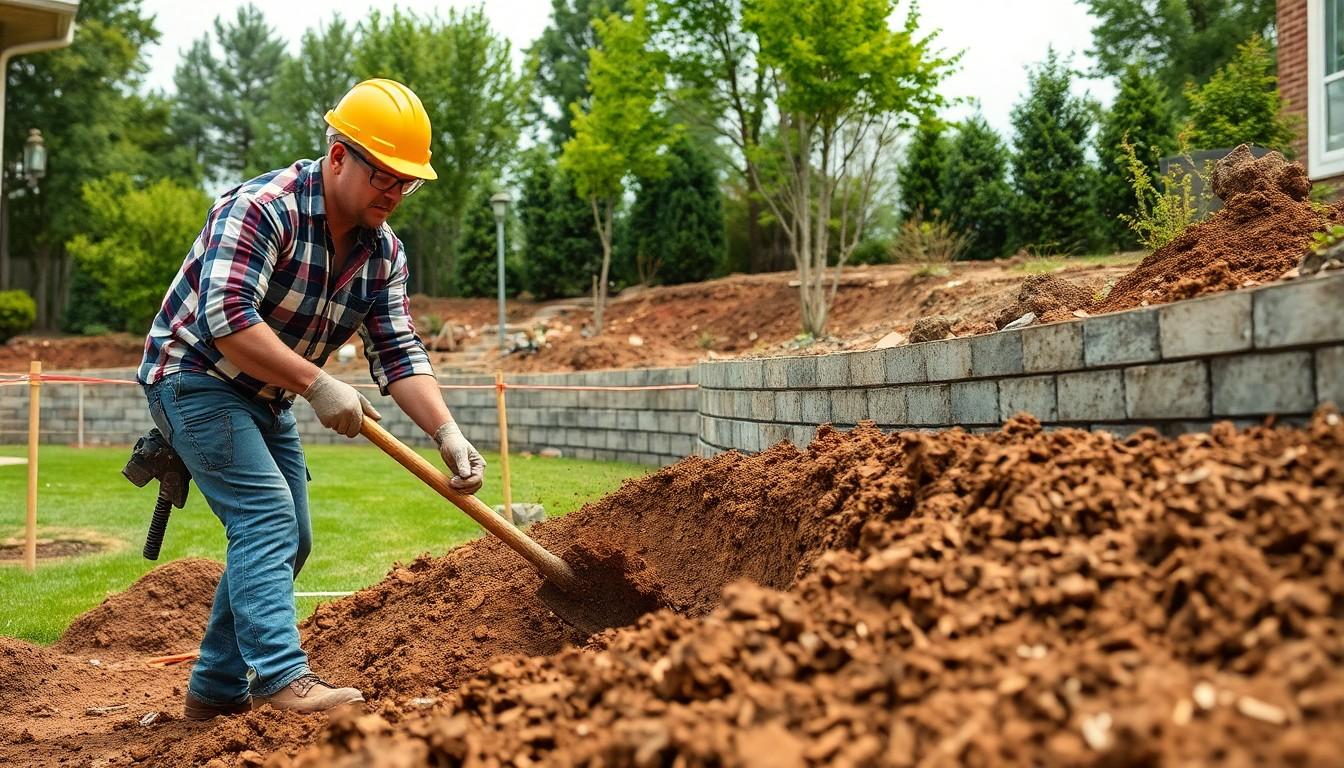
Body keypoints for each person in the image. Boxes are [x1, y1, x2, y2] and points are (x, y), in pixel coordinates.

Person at [137, 78, 486, 720]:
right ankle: (281, 677)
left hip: (266, 398)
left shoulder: (383, 254)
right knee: (266, 517)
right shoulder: (263, 209)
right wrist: (319, 384)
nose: (394, 193)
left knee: (290, 537)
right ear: (338, 155)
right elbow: (228, 318)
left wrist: (447, 432)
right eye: (384, 175)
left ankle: (214, 689)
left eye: (407, 183)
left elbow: (398, 351)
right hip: (194, 377)